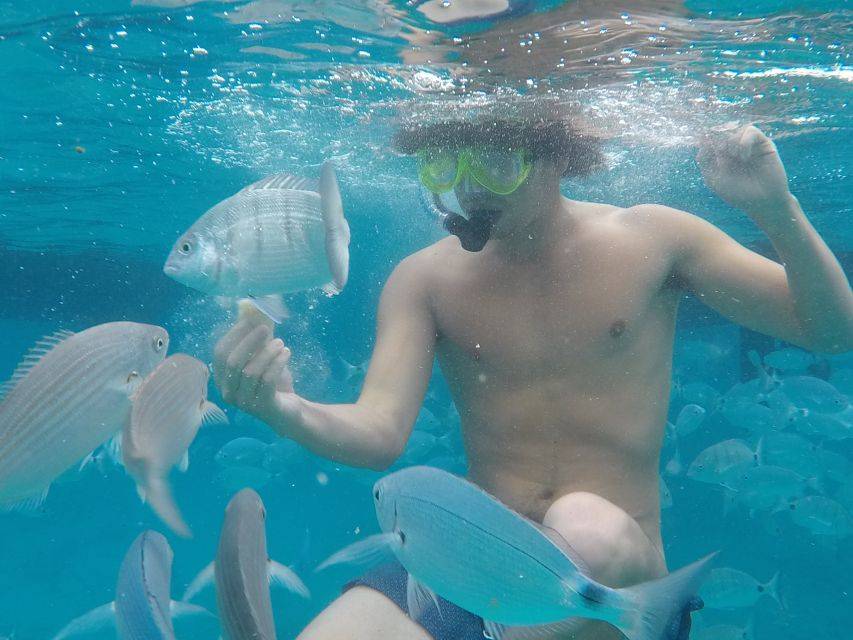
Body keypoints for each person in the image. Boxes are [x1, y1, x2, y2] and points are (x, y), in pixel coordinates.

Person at [213, 101, 853, 640]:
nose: (468, 189)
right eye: (445, 164)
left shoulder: (652, 240)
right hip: (473, 570)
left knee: (584, 524)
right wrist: (284, 407)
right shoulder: (425, 278)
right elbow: (379, 432)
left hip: (610, 586)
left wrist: (776, 209)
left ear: (555, 157)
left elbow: (829, 330)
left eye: (494, 162)